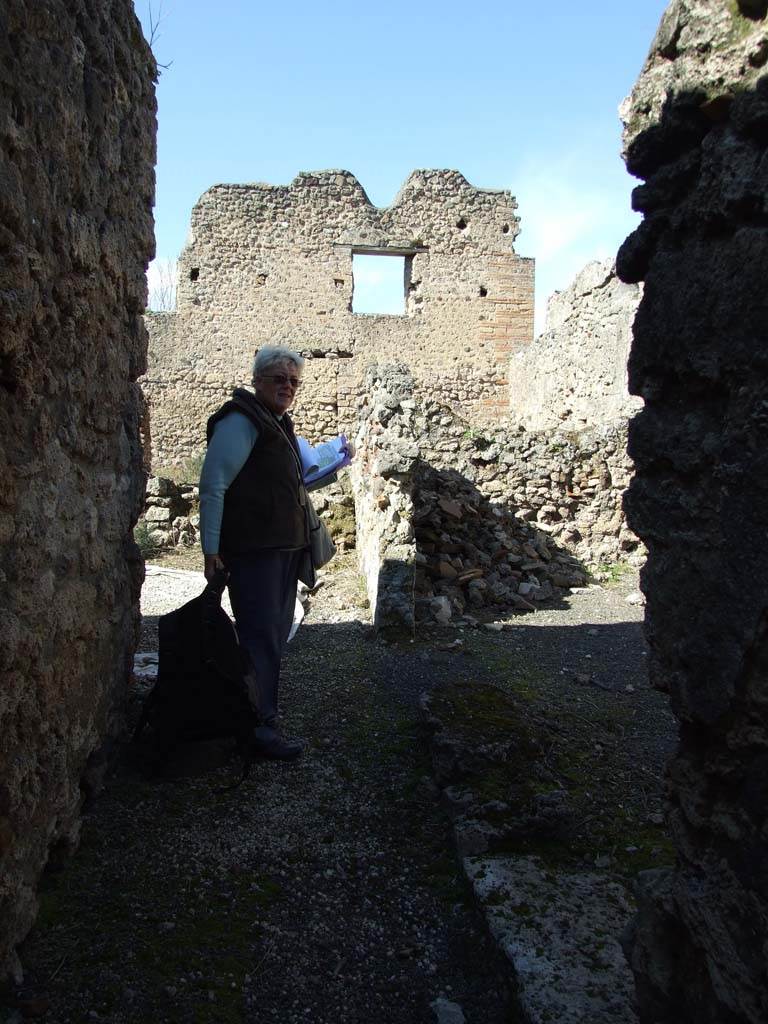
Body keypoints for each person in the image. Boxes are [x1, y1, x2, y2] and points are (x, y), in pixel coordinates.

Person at [199, 345, 312, 761]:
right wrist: (211, 548)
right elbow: (213, 485)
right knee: (261, 638)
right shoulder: (241, 420)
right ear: (258, 380)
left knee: (271, 636)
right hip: (255, 552)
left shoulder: (277, 423)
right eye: (279, 379)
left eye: (294, 381)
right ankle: (258, 729)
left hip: (281, 549)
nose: (288, 387)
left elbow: (278, 485)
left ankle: (257, 715)